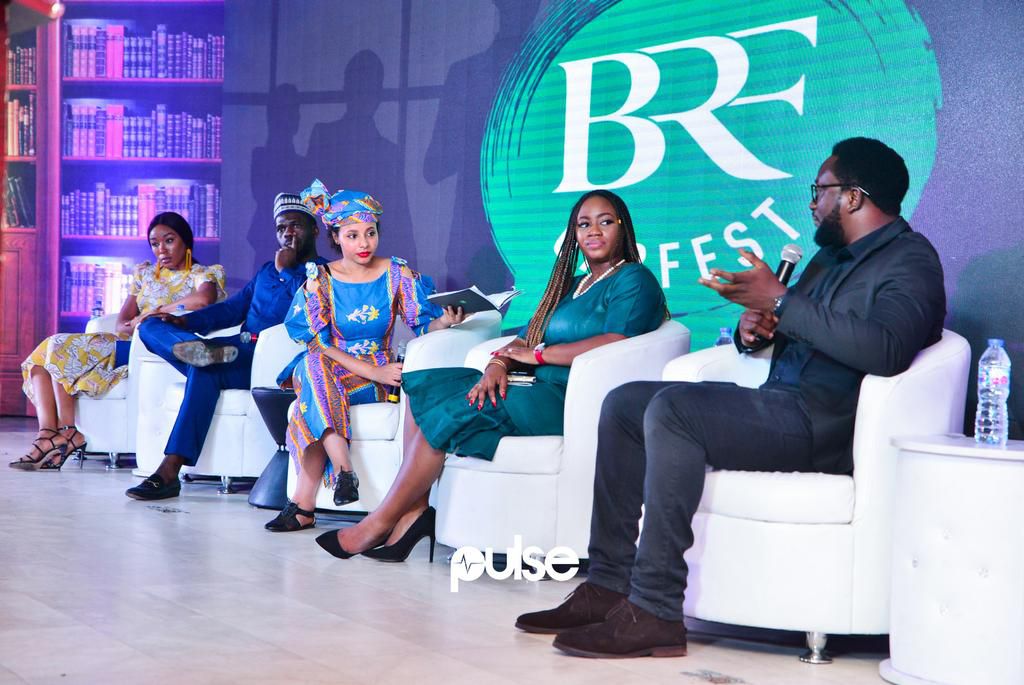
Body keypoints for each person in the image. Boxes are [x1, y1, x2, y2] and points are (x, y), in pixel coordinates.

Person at [515, 138, 947, 659]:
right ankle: (607, 585)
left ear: (853, 196)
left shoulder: (910, 260)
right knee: (626, 403)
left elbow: (888, 349)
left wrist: (782, 301)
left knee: (675, 410)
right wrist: (755, 331)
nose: (813, 202)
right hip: (779, 404)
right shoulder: (827, 259)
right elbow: (804, 326)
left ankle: (655, 609)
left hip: (824, 424)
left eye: (820, 190)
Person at [313, 189, 668, 561]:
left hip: (568, 398)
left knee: (453, 410)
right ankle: (413, 516)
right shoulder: (574, 284)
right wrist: (499, 363)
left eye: (605, 221)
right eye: (583, 224)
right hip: (532, 384)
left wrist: (538, 355)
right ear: (574, 234)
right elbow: (528, 335)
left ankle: (377, 524)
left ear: (623, 227)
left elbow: (614, 342)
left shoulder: (633, 279)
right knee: (425, 388)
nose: (593, 231)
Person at [263, 181, 465, 532]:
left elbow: (422, 324)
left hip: (379, 375)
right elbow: (320, 344)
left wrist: (445, 321)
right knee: (314, 364)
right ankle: (345, 470)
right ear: (336, 237)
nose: (364, 243)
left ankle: (303, 505)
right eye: (353, 235)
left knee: (311, 390)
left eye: (370, 233)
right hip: (341, 368)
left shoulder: (397, 273)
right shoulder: (320, 278)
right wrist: (376, 373)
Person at [124, 192, 326, 501]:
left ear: (314, 229)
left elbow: (304, 317)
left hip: (269, 360)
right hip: (235, 350)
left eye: (295, 226)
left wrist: (287, 273)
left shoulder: (323, 273)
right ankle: (196, 352)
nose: (287, 233)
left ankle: (168, 472)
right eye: (281, 227)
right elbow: (232, 310)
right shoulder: (266, 271)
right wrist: (184, 321)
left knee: (205, 371)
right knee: (151, 326)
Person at [11, 212, 225, 471]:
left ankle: (66, 433)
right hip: (125, 343)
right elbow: (121, 324)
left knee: (56, 346)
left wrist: (153, 313)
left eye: (169, 241)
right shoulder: (146, 275)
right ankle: (49, 433)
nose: (161, 249)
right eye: (155, 243)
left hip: (153, 348)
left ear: (185, 241)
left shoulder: (201, 274)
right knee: (43, 358)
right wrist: (137, 322)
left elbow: (203, 300)